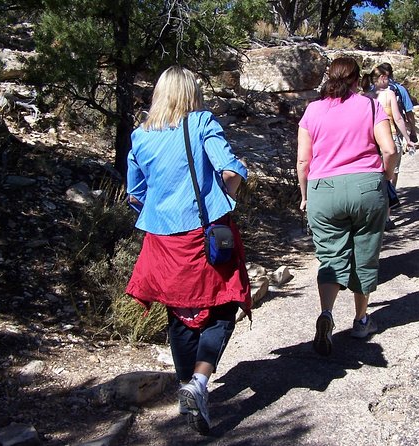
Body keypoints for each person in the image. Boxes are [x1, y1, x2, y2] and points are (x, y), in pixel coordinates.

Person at [125, 66, 251, 435]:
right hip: (203, 234)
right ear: (191, 93)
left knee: (178, 312)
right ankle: (198, 383)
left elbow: (135, 193)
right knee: (224, 303)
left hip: (161, 241)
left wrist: (159, 212)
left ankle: (187, 386)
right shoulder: (200, 123)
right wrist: (232, 187)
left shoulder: (140, 136)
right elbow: (228, 171)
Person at [297, 57, 399, 356]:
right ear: (358, 80)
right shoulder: (369, 106)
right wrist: (387, 179)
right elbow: (389, 149)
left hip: (323, 190)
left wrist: (305, 195)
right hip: (367, 186)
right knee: (365, 254)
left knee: (330, 256)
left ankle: (327, 314)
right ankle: (360, 320)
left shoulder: (312, 110)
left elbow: (304, 161)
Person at [361, 64, 417, 230]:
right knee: (390, 177)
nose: (389, 81)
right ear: (382, 78)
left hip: (370, 140)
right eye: (387, 78)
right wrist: (408, 138)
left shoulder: (365, 96)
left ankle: (370, 215)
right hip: (389, 137)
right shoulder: (389, 94)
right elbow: (398, 118)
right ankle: (386, 217)